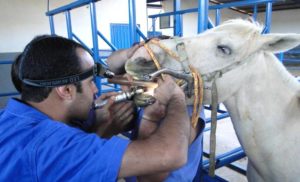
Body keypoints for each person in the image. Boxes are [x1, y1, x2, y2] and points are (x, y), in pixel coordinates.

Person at [0, 35, 191, 181]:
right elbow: (170, 155)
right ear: (66, 90)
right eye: (91, 82)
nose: (96, 89)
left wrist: (99, 128)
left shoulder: (9, 118)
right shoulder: (51, 147)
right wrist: (176, 97)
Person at [107, 39, 206, 182]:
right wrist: (130, 53)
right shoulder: (150, 94)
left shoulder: (187, 107)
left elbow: (152, 176)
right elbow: (111, 64)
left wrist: (149, 118)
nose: (131, 81)